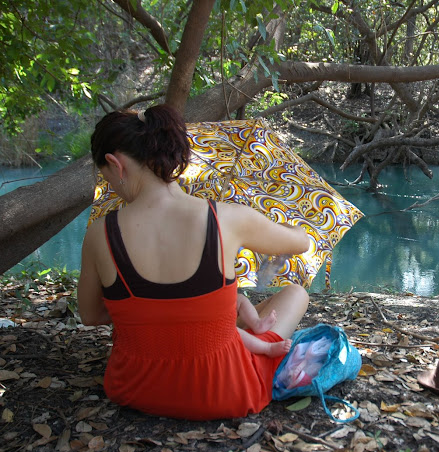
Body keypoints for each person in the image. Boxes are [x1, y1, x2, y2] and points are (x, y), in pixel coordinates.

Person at [77, 104, 310, 420]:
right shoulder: (228, 218)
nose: (111, 186)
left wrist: (152, 312)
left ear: (114, 164)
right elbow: (302, 243)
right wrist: (289, 227)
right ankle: (233, 339)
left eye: (105, 178)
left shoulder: (98, 234)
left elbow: (91, 315)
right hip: (227, 392)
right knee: (297, 294)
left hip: (133, 388)